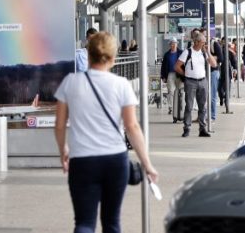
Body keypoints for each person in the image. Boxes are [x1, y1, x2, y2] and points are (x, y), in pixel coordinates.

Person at [54, 31, 158, 233]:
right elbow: (132, 127)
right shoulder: (121, 85)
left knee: (84, 223)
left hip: (82, 159)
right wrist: (147, 164)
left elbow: (59, 125)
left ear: (88, 54)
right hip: (115, 160)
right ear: (113, 57)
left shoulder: (70, 82)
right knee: (112, 222)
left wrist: (63, 151)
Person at [175, 31, 217, 137]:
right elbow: (177, 66)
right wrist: (186, 74)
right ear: (197, 42)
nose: (205, 44)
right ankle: (187, 128)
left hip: (203, 81)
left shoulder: (204, 53)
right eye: (203, 42)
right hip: (190, 82)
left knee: (203, 107)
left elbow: (214, 64)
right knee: (189, 106)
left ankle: (202, 129)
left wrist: (208, 52)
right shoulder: (187, 52)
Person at [159, 39, 184, 123]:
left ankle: (181, 108)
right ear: (169, 45)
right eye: (171, 44)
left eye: (174, 44)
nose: (173, 45)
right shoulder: (167, 55)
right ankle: (172, 108)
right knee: (171, 91)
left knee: (180, 92)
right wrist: (163, 76)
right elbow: (163, 66)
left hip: (179, 74)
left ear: (177, 44)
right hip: (170, 74)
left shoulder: (181, 53)